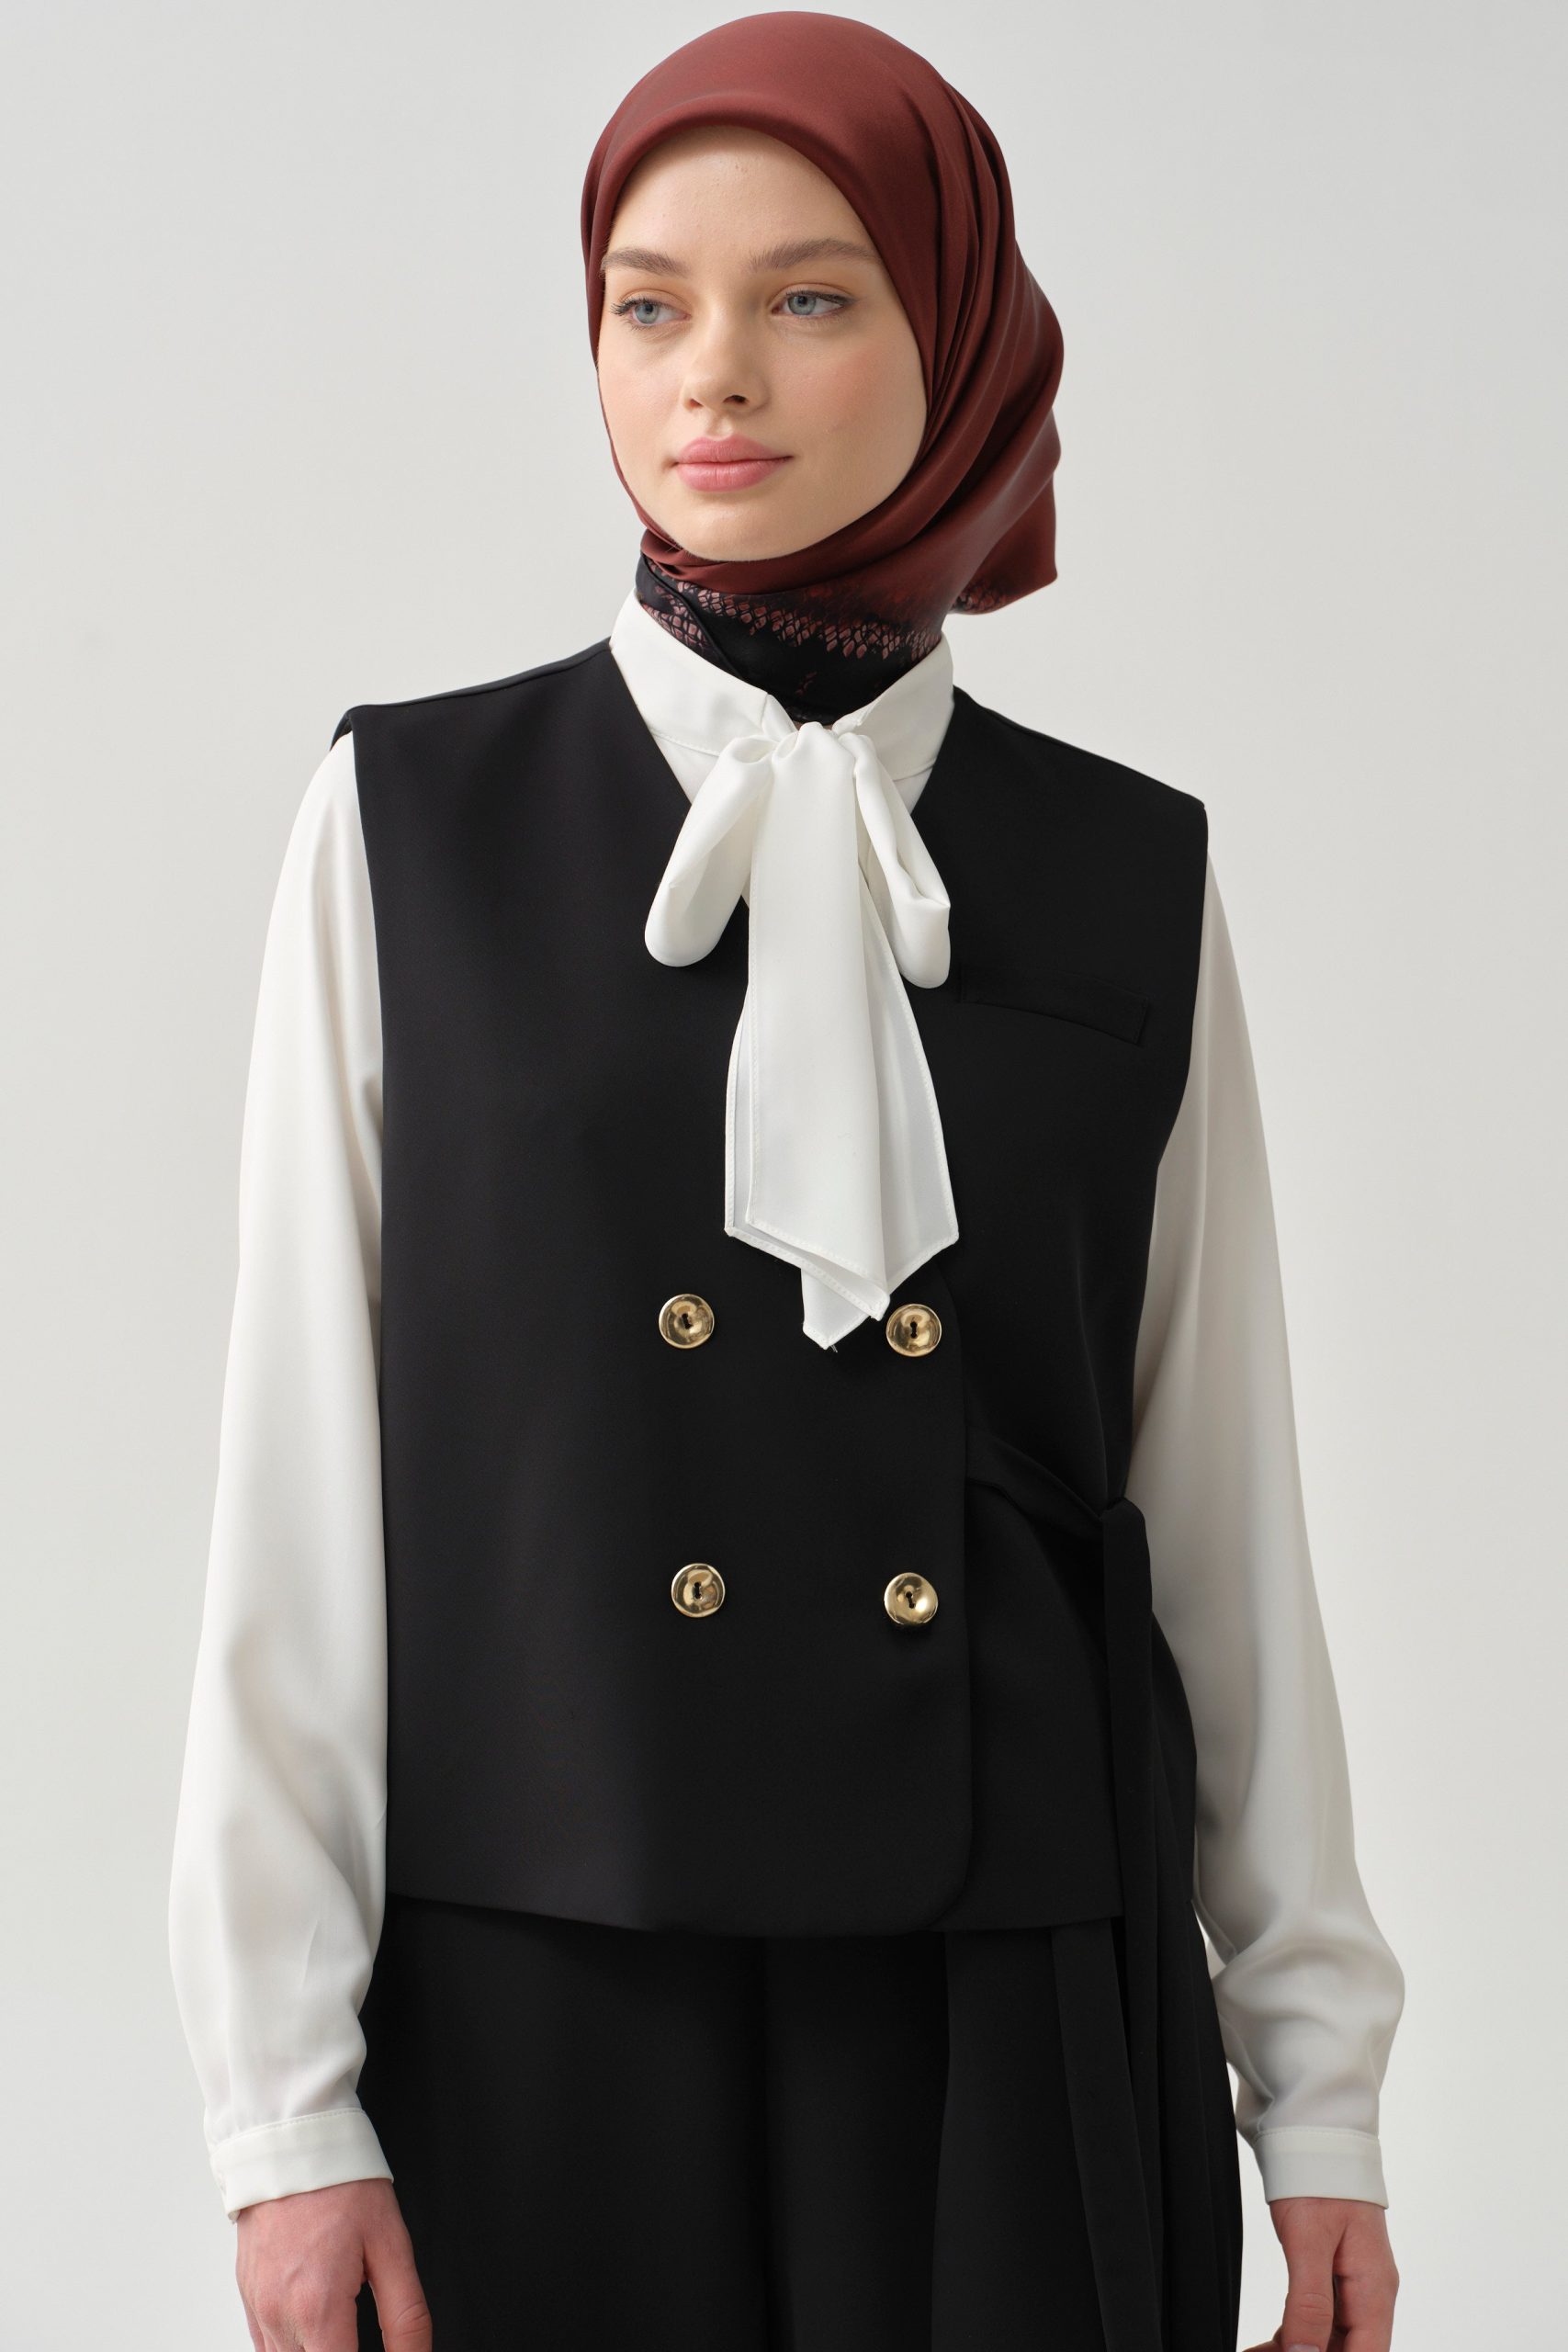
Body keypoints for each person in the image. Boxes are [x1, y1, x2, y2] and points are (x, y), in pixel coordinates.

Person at [167, 15, 1405, 2350]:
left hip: (1014, 1985)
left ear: (959, 342)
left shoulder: (1124, 875)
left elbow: (1219, 1508)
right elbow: (300, 1497)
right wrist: (282, 2107)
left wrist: (1315, 2085)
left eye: (809, 296)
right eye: (645, 304)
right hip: (542, 1967)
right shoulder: (409, 829)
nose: (709, 373)